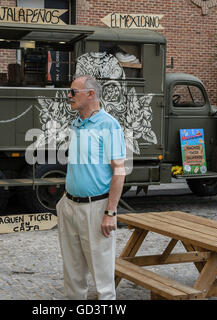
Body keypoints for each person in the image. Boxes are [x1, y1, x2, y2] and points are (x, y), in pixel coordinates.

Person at [55, 75, 126, 300]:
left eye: (73, 92)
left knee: (103, 280)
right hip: (69, 206)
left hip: (96, 209)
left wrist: (110, 213)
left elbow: (119, 171)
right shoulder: (76, 123)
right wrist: (64, 203)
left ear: (90, 94)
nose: (69, 96)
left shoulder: (109, 125)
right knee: (73, 275)